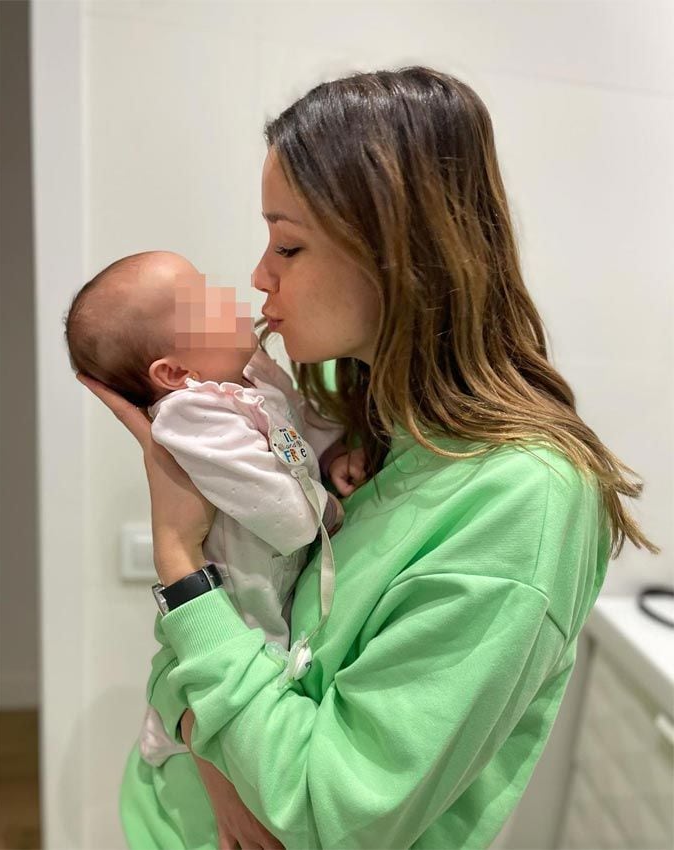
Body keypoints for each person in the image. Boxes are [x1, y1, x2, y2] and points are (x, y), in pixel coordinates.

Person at [77, 67, 658, 850]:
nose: (257, 276)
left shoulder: (524, 503)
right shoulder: (359, 430)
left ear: (394, 252)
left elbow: (330, 812)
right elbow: (197, 651)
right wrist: (204, 736)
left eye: (288, 242)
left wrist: (181, 566)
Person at [64, 251, 367, 767]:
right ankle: (177, 741)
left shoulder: (249, 379)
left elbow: (298, 428)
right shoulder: (190, 415)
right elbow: (292, 520)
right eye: (206, 305)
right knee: (243, 699)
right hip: (244, 613)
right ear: (176, 371)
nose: (231, 301)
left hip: (278, 589)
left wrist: (335, 453)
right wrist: (332, 510)